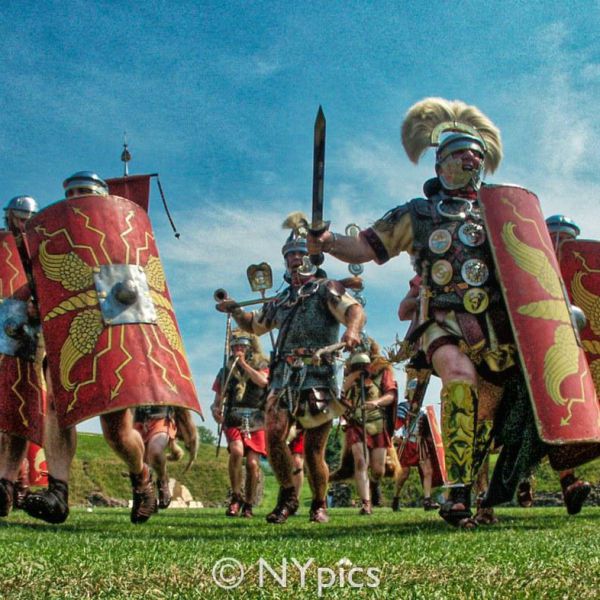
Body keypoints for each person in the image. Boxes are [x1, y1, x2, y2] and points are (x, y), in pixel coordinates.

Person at [308, 97, 539, 527]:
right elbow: (365, 247)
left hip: (496, 325)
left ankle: (485, 490)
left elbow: (532, 267)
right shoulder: (417, 213)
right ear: (440, 164)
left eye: (475, 155)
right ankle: (457, 492)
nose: (469, 160)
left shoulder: (502, 212)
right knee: (457, 377)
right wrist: (328, 240)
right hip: (442, 318)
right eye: (459, 154)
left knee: (491, 410)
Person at [23, 171, 200, 524]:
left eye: (84, 192)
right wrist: (33, 304)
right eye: (71, 192)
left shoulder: (120, 241)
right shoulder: (53, 242)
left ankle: (141, 478)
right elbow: (44, 289)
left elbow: (140, 294)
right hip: (70, 335)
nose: (77, 198)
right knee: (58, 411)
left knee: (117, 434)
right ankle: (58, 493)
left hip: (113, 341)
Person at [217, 212, 364, 523]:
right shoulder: (281, 300)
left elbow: (354, 310)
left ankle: (319, 504)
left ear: (312, 256)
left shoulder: (326, 289)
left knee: (313, 452)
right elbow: (255, 325)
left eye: (300, 253)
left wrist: (351, 331)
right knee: (273, 434)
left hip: (318, 377)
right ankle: (288, 497)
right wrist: (234, 310)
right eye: (290, 255)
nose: (295, 260)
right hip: (284, 376)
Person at [516, 215, 592, 515]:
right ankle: (519, 481)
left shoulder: (582, 273)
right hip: (529, 359)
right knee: (523, 425)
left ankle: (569, 482)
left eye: (567, 235)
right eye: (555, 234)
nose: (561, 240)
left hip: (572, 358)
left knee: (565, 415)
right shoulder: (529, 269)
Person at [0, 196, 45, 518]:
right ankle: (11, 482)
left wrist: (37, 304)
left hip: (29, 335)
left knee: (23, 409)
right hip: (5, 327)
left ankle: (15, 483)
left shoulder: (46, 250)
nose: (20, 225)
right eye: (17, 218)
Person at [211, 331, 269, 518]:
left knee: (253, 464)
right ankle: (236, 496)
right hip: (233, 417)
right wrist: (215, 409)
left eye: (242, 346)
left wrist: (243, 364)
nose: (238, 349)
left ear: (250, 347)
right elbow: (218, 398)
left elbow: (262, 382)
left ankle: (249, 503)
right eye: (235, 346)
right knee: (236, 452)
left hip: (256, 418)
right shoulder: (225, 369)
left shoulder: (262, 364)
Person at [342, 338, 397, 515]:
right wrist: (353, 376)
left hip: (376, 422)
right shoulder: (349, 371)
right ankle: (366, 503)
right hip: (356, 423)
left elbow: (391, 395)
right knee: (360, 461)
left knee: (378, 470)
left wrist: (376, 402)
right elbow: (340, 394)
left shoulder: (382, 369)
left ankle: (374, 486)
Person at [392, 374, 440, 512]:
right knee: (404, 474)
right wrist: (396, 438)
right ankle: (396, 498)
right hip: (407, 443)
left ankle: (427, 500)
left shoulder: (424, 410)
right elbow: (395, 426)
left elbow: (429, 430)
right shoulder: (404, 406)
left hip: (421, 443)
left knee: (428, 471)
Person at [132, 405, 180, 509]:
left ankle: (162, 481)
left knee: (156, 451)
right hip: (137, 418)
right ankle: (148, 498)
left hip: (161, 417)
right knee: (141, 463)